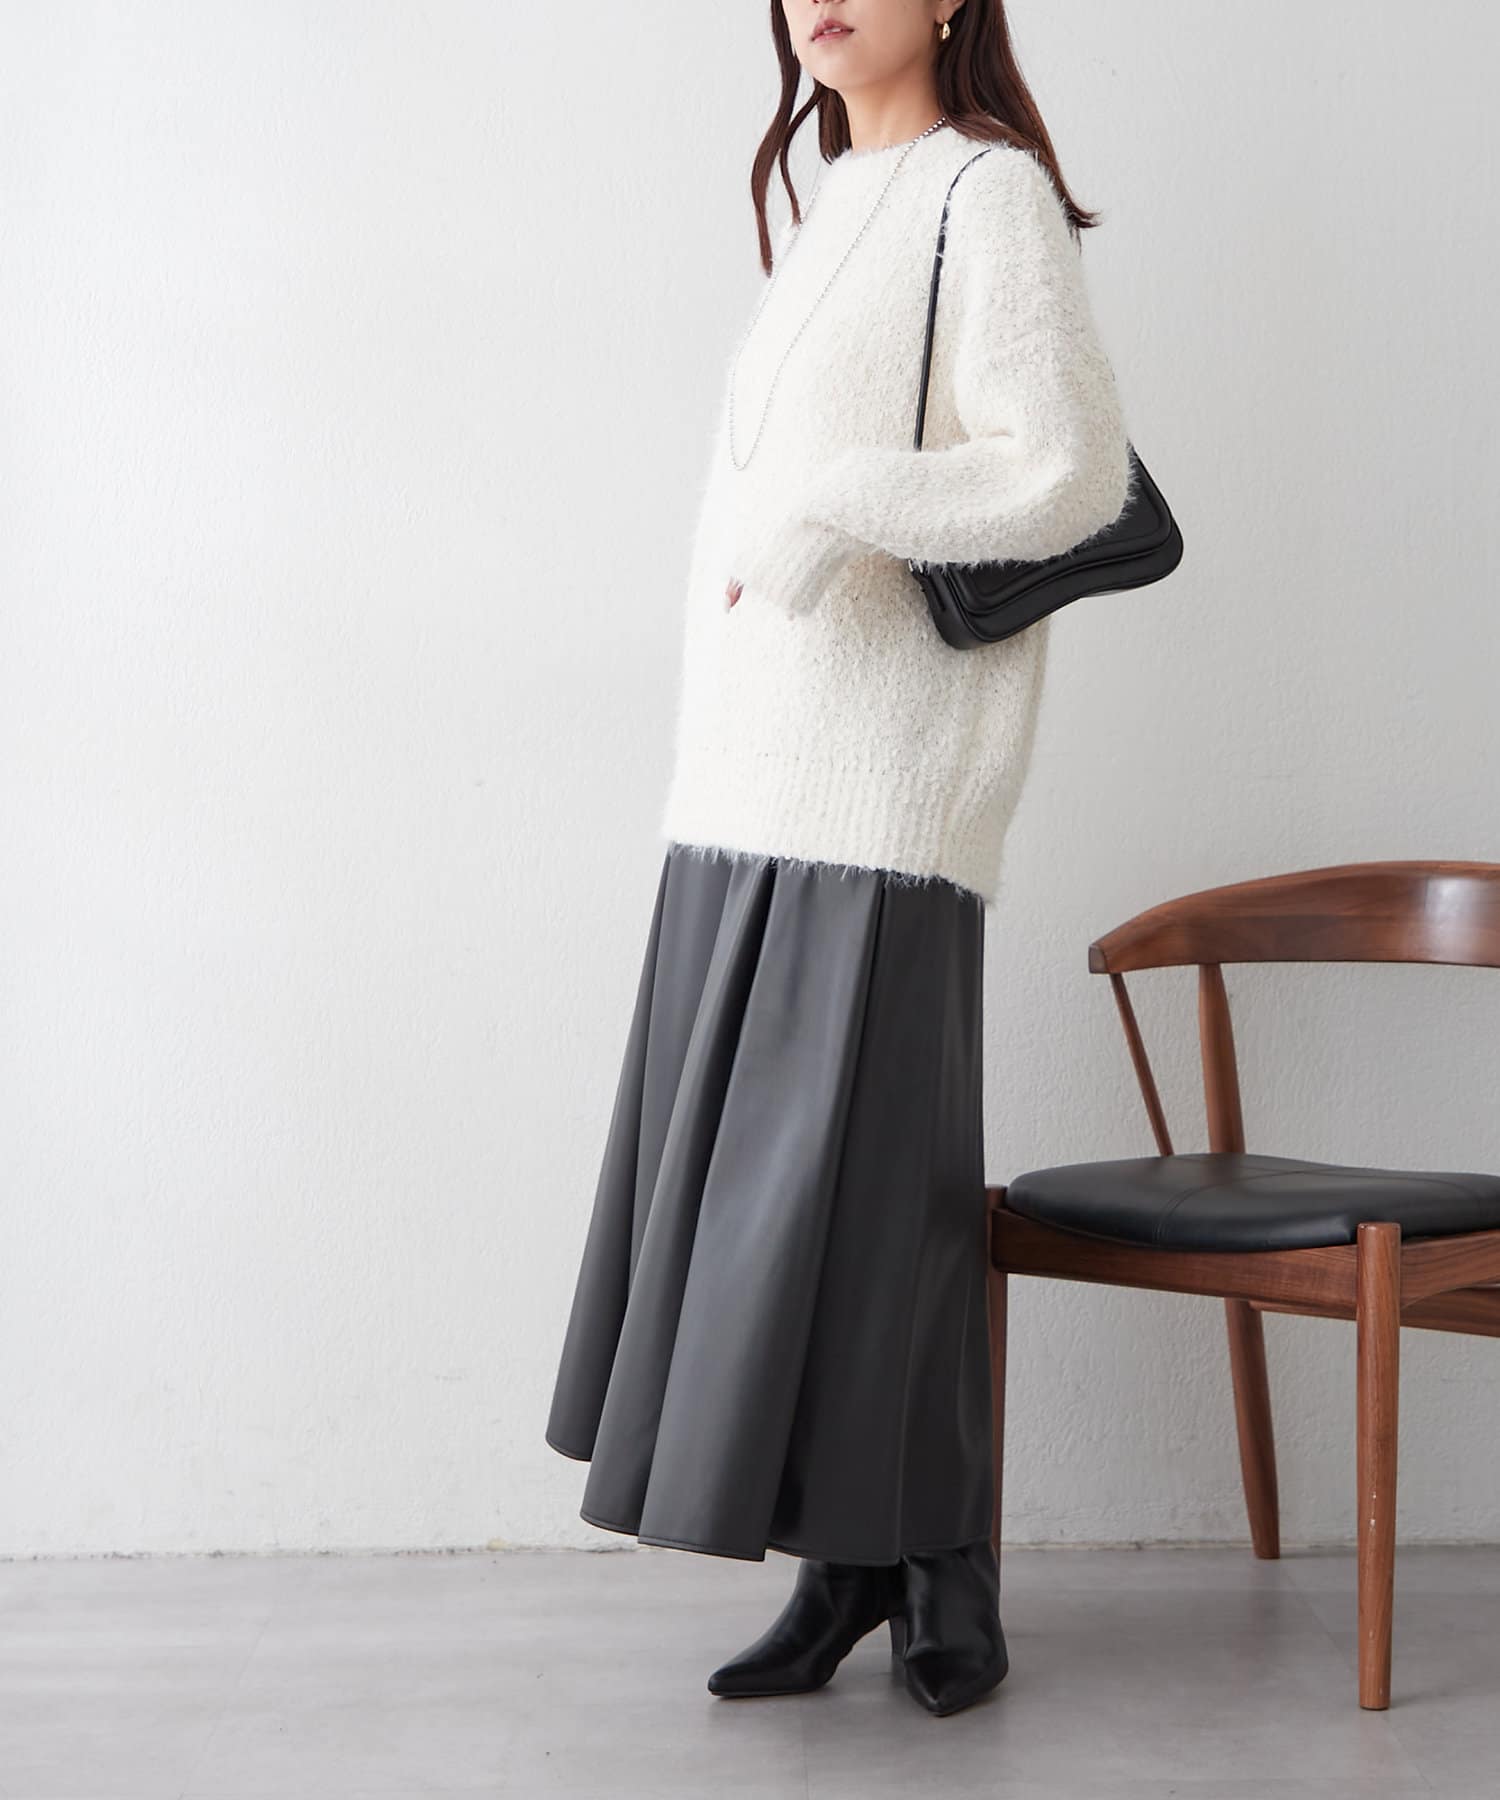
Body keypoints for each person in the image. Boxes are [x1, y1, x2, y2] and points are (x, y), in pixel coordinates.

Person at [545, 0, 1131, 1719]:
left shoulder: (984, 192)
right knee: (788, 1209)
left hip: (882, 783)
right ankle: (847, 1558)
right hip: (745, 781)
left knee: (882, 1205)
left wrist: (834, 504)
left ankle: (940, 1564)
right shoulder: (829, 206)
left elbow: (1070, 472)